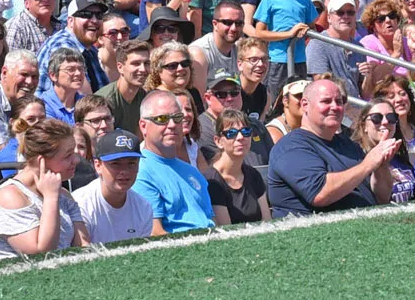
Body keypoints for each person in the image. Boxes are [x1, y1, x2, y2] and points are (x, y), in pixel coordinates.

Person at [268, 78, 396, 216]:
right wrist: (368, 164)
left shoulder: (348, 145)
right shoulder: (291, 147)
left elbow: (382, 198)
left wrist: (381, 165)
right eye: (326, 101)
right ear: (305, 105)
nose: (335, 107)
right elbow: (319, 193)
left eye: (339, 101)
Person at [0, 118, 86, 259]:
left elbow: (84, 245)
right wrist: (50, 198)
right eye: (68, 156)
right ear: (40, 161)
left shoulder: (64, 195)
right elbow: (41, 254)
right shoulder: (10, 197)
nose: (76, 160)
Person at [129, 90, 215, 234]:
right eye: (162, 118)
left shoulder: (192, 172)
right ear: (143, 126)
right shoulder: (139, 172)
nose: (172, 125)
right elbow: (154, 233)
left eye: (177, 117)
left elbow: (211, 221)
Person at [69, 129, 153, 245]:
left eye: (131, 163)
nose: (124, 171)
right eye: (115, 164)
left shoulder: (143, 207)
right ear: (98, 165)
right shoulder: (80, 204)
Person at [204, 109, 269, 225]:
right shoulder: (211, 181)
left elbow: (267, 221)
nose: (240, 137)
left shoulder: (254, 175)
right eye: (231, 133)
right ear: (218, 141)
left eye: (246, 131)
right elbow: (226, 230)